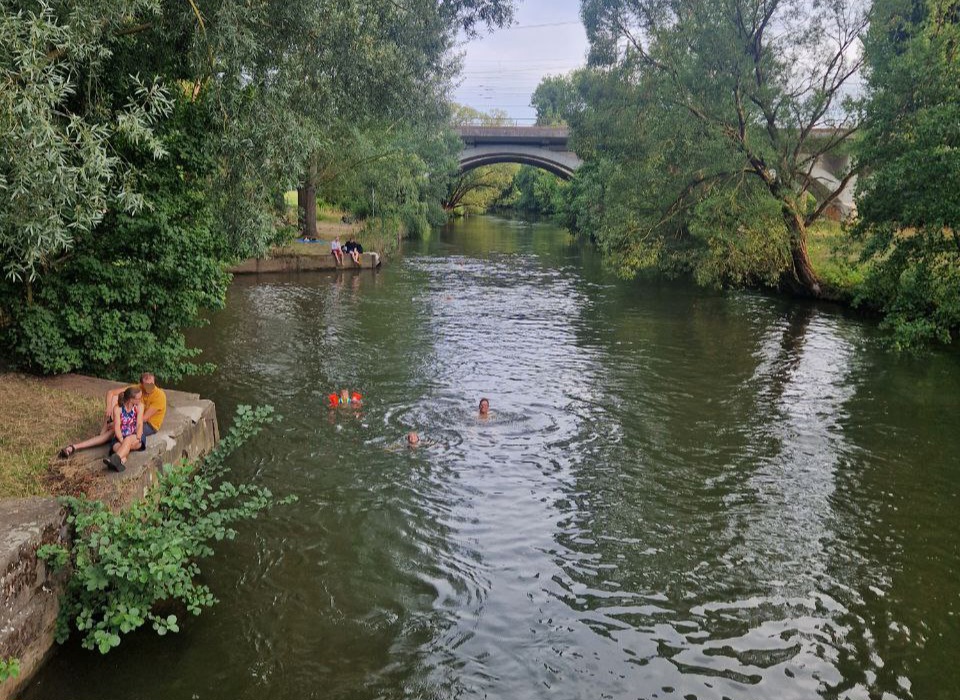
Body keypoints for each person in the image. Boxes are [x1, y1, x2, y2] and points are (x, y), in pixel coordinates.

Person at [58, 372, 166, 459]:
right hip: (132, 417)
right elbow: (111, 393)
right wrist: (109, 408)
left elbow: (143, 419)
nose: (150, 387)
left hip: (149, 424)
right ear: (141, 384)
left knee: (116, 432)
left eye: (152, 384)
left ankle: (113, 452)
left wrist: (117, 423)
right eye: (146, 385)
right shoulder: (137, 390)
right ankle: (75, 446)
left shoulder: (159, 396)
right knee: (116, 404)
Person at [104, 386, 145, 472]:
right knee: (123, 448)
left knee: (127, 440)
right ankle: (120, 461)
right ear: (131, 399)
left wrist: (138, 437)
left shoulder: (140, 406)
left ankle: (113, 460)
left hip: (135, 437)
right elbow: (117, 427)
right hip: (119, 438)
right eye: (138, 398)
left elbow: (139, 424)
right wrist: (124, 442)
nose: (140, 399)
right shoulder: (117, 408)